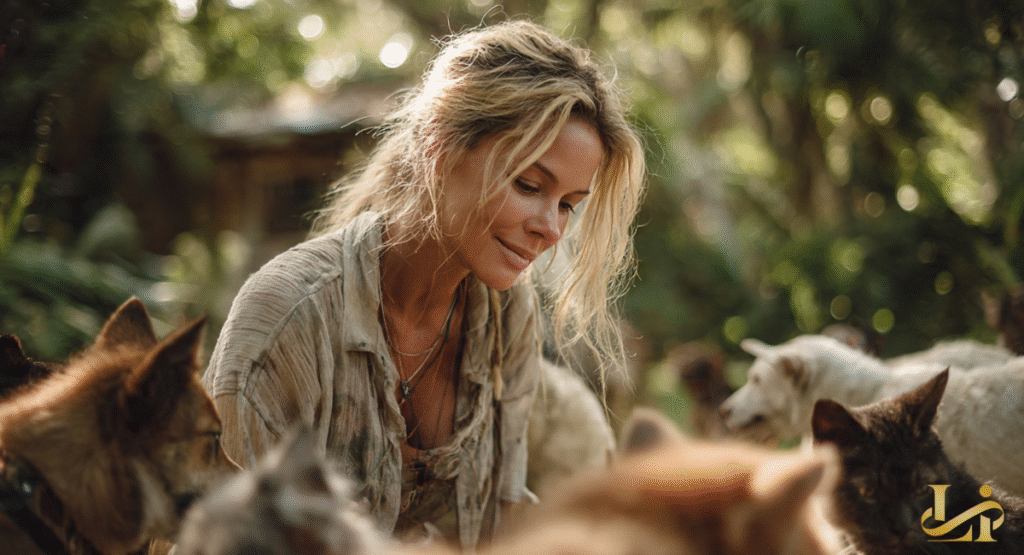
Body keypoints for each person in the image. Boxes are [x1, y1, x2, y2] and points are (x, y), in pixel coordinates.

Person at [202, 19, 645, 551]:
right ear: (439, 146)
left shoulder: (505, 314)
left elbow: (498, 524)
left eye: (569, 204)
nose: (550, 228)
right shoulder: (288, 320)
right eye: (529, 185)